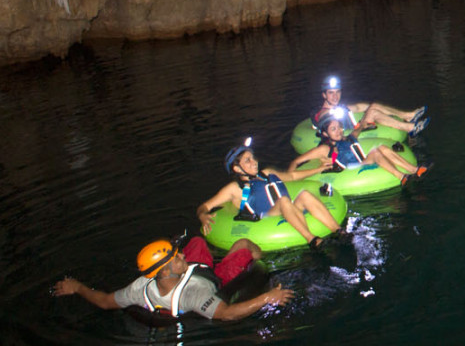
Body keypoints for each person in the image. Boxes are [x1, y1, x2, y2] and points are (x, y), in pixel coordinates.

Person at [53, 234, 293, 321]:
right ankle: (256, 256)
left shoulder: (140, 287)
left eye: (178, 253)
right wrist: (267, 298)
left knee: (197, 241)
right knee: (244, 246)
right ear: (165, 270)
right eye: (176, 257)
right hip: (213, 279)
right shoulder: (194, 295)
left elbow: (105, 301)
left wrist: (78, 287)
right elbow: (226, 314)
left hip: (192, 271)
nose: (181, 255)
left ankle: (205, 254)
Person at [198, 138, 342, 250]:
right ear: (237, 168)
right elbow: (204, 206)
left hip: (288, 209)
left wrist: (318, 169)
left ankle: (339, 231)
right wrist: (203, 215)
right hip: (268, 218)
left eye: (253, 158)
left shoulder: (267, 173)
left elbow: (291, 177)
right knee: (284, 201)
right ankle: (312, 240)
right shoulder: (234, 188)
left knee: (305, 195)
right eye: (247, 160)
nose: (254, 162)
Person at [290, 115, 429, 183]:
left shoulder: (345, 139)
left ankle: (414, 170)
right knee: (375, 152)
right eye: (333, 129)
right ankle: (401, 177)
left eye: (339, 127)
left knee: (381, 148)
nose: (338, 131)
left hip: (359, 162)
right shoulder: (324, 148)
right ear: (325, 133)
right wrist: (290, 178)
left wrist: (363, 125)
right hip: (347, 170)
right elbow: (297, 161)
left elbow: (356, 132)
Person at [312, 75, 428, 137]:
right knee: (373, 112)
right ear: (324, 95)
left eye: (338, 92)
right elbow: (323, 117)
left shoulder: (339, 107)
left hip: (355, 126)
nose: (335, 96)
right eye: (331, 93)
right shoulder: (323, 112)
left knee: (373, 106)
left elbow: (357, 107)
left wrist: (374, 106)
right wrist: (334, 111)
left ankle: (409, 116)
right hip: (349, 133)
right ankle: (410, 128)